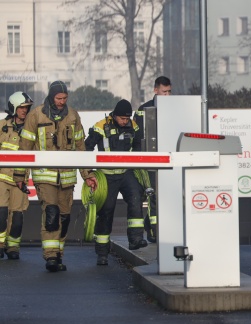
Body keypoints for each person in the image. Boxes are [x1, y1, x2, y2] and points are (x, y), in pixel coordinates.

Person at [17, 81, 97, 272]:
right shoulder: (36, 115)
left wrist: (88, 175)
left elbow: (80, 147)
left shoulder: (73, 116)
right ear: (51, 97)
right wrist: (20, 175)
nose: (62, 102)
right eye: (58, 98)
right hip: (45, 176)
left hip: (67, 177)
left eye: (64, 98)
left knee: (64, 216)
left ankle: (58, 253)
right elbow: (25, 148)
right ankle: (50, 256)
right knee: (51, 213)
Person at [85, 99, 148, 265]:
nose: (125, 122)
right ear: (114, 116)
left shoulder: (133, 126)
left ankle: (135, 240)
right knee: (106, 212)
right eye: (122, 119)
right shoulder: (100, 126)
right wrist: (89, 173)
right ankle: (102, 253)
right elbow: (87, 148)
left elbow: (138, 150)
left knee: (136, 197)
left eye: (127, 119)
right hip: (106, 176)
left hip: (125, 173)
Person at [133, 76, 172, 244]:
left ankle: (153, 225)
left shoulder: (174, 108)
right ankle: (154, 232)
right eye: (164, 92)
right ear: (155, 90)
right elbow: (137, 136)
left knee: (165, 196)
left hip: (169, 160)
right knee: (153, 196)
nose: (167, 95)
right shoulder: (144, 109)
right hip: (149, 161)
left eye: (169, 91)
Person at [0, 92, 34, 260]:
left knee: (18, 217)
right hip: (1, 179)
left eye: (26, 108)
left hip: (20, 181)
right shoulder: (2, 126)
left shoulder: (31, 128)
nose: (24, 111)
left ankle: (13, 247)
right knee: (0, 215)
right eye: (21, 108)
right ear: (14, 108)